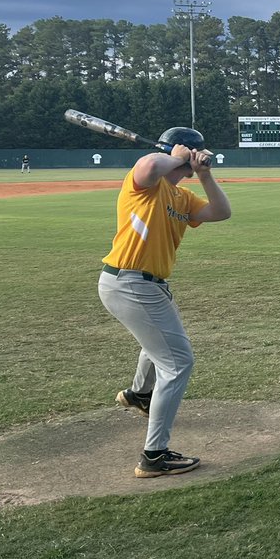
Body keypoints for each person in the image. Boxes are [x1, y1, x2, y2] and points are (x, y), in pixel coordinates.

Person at [99, 127, 231, 478]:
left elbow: (221, 212)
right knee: (178, 363)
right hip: (129, 282)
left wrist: (204, 174)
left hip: (149, 287)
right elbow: (147, 163)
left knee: (160, 345)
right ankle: (154, 456)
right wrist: (178, 154)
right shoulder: (145, 183)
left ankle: (140, 394)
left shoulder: (181, 196)